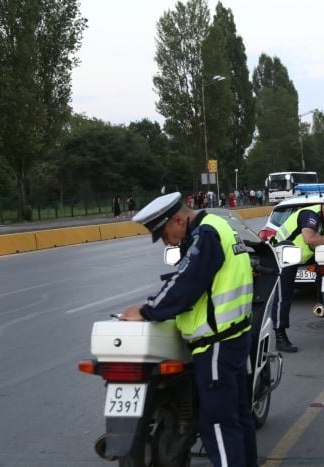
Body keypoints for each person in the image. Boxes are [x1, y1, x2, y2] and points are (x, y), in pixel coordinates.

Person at [120, 192, 257, 466]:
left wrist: (146, 310)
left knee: (217, 423)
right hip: (235, 336)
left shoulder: (205, 235)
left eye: (164, 233)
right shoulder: (220, 226)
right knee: (239, 416)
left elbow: (186, 283)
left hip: (216, 345)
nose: (166, 241)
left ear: (179, 220)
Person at [270, 199, 324, 352]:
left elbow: (315, 243)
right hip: (284, 255)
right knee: (283, 296)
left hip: (298, 255)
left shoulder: (322, 220)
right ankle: (280, 337)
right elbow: (310, 239)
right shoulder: (310, 215)